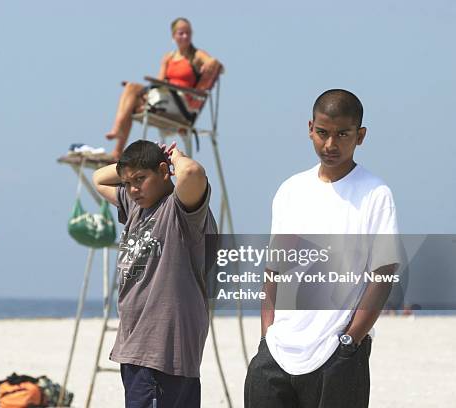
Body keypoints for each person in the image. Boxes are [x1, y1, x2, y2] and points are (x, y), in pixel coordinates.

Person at [244, 89, 400, 408]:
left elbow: (383, 274)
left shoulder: (375, 193)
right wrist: (267, 336)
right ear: (310, 129)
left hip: (337, 354)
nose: (330, 144)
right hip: (276, 353)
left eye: (342, 134)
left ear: (360, 136)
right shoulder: (290, 190)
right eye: (323, 133)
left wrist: (349, 341)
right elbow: (274, 268)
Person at [93, 140, 217, 407]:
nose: (133, 188)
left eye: (141, 179)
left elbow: (192, 173)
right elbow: (99, 178)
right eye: (127, 182)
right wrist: (136, 164)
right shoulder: (137, 205)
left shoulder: (180, 210)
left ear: (164, 172)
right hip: (135, 346)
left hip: (162, 348)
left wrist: (175, 157)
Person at [105, 17, 221, 159]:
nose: (185, 36)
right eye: (181, 33)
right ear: (173, 36)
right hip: (165, 97)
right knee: (130, 89)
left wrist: (210, 64)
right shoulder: (168, 57)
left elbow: (213, 62)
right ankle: (117, 150)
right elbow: (159, 81)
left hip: (181, 103)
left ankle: (118, 131)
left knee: (133, 90)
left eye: (188, 33)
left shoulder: (196, 55)